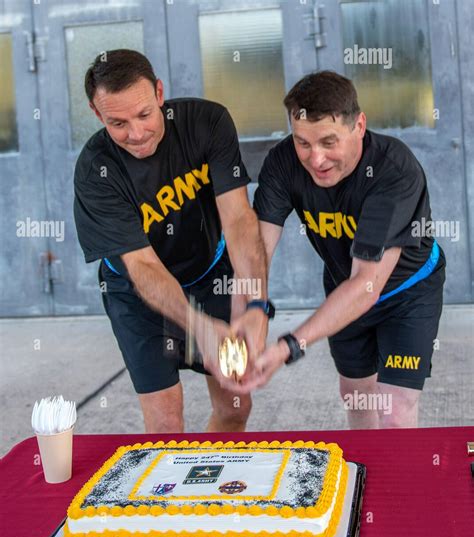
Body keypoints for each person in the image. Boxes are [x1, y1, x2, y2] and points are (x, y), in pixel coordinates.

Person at [73, 49, 274, 433]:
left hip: (211, 276)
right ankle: (172, 493)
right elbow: (143, 266)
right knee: (165, 423)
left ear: (159, 93)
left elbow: (238, 220)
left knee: (235, 405)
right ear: (97, 115)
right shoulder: (94, 170)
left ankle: (214, 490)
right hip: (136, 293)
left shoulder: (207, 122)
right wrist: (200, 329)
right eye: (117, 122)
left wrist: (254, 302)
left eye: (144, 114)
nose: (136, 133)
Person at [236, 71, 446, 429]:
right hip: (341, 284)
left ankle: (397, 481)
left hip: (407, 292)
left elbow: (367, 285)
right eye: (303, 142)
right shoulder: (283, 163)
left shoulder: (393, 172)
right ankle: (365, 476)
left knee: (395, 409)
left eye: (329, 142)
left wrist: (289, 345)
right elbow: (258, 251)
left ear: (359, 125)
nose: (315, 159)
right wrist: (252, 309)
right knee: (356, 394)